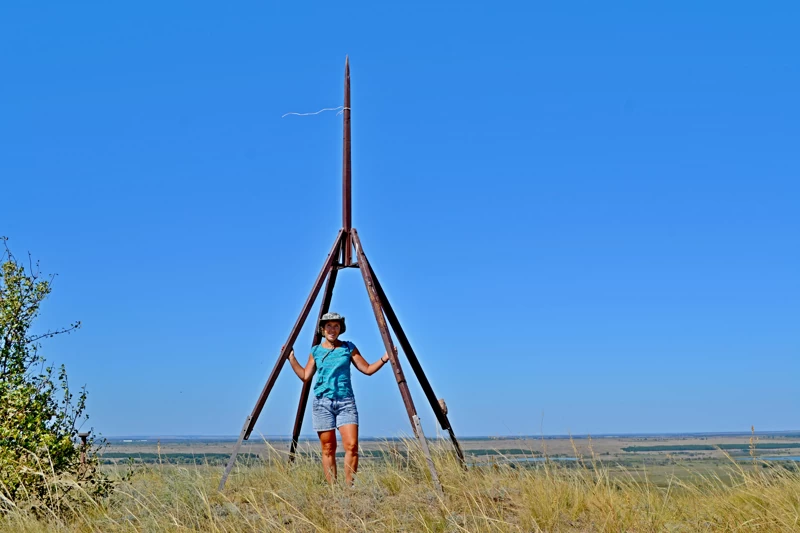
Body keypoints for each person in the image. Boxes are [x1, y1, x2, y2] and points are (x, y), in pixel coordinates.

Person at [287, 312, 393, 485]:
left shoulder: (348, 347)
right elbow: (306, 376)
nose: (332, 329)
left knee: (352, 446)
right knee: (328, 448)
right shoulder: (316, 351)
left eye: (336, 326)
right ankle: (333, 491)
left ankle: (349, 490)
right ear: (323, 329)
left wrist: (384, 358)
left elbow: (366, 369)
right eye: (329, 326)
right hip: (322, 403)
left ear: (340, 329)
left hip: (346, 402)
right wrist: (291, 359)